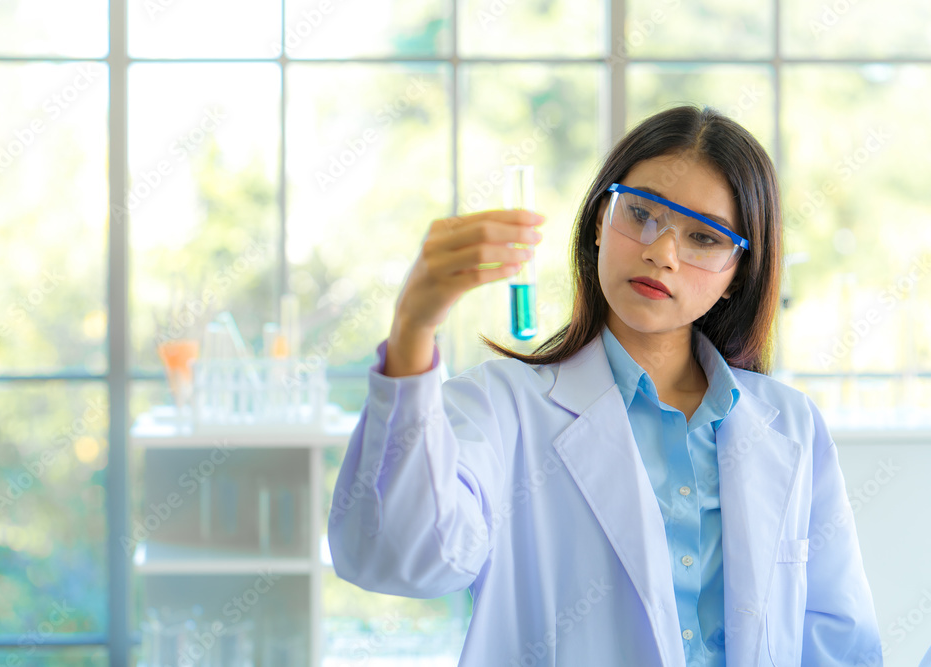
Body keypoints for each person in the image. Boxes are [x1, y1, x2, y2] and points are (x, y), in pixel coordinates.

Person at [327, 105, 883, 666]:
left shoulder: (790, 423)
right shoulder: (503, 406)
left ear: (738, 276)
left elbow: (838, 642)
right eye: (640, 212)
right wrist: (413, 330)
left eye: (704, 238)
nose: (661, 252)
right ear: (598, 221)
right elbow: (397, 554)